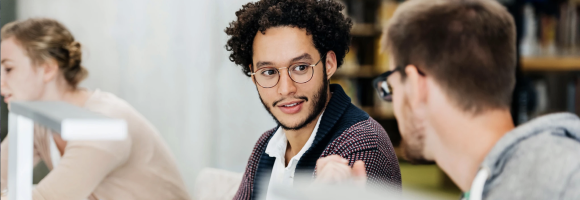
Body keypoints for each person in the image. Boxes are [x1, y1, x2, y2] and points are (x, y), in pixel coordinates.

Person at [315, 0, 580, 199]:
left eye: (389, 88)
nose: (393, 103)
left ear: (416, 86)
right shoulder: (492, 184)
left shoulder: (561, 181)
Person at [224, 0, 401, 199]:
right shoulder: (266, 146)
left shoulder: (361, 145)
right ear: (254, 76)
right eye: (269, 72)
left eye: (300, 67)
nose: (286, 89)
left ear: (329, 64)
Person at [0, 18, 191, 200]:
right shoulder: (38, 121)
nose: (1, 82)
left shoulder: (103, 123)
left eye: (8, 69)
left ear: (48, 69)